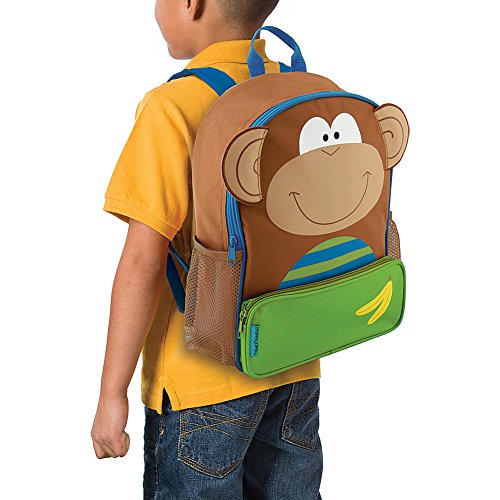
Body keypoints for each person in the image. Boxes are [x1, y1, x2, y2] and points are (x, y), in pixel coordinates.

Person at [91, 0, 323, 498]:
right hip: (293, 362)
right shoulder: (297, 90)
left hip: (200, 381)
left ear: (191, 3)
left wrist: (112, 393)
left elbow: (143, 262)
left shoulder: (173, 107)